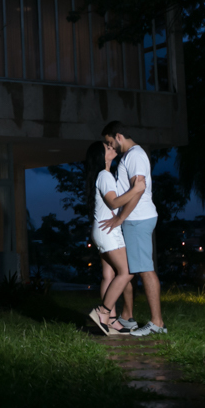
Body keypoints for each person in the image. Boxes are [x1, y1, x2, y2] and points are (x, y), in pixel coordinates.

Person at [99, 120, 167, 337]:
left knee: (145, 269)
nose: (110, 147)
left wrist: (121, 218)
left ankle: (157, 323)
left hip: (138, 219)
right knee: (131, 269)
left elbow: (139, 189)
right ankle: (127, 316)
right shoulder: (128, 156)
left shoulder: (135, 155)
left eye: (110, 142)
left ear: (119, 137)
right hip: (133, 219)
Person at [85, 141, 145, 335]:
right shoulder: (104, 175)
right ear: (100, 156)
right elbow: (113, 202)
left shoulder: (103, 175)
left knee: (109, 276)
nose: (112, 149)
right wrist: (136, 189)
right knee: (127, 272)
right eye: (108, 148)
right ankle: (103, 312)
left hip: (102, 230)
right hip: (108, 231)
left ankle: (110, 320)